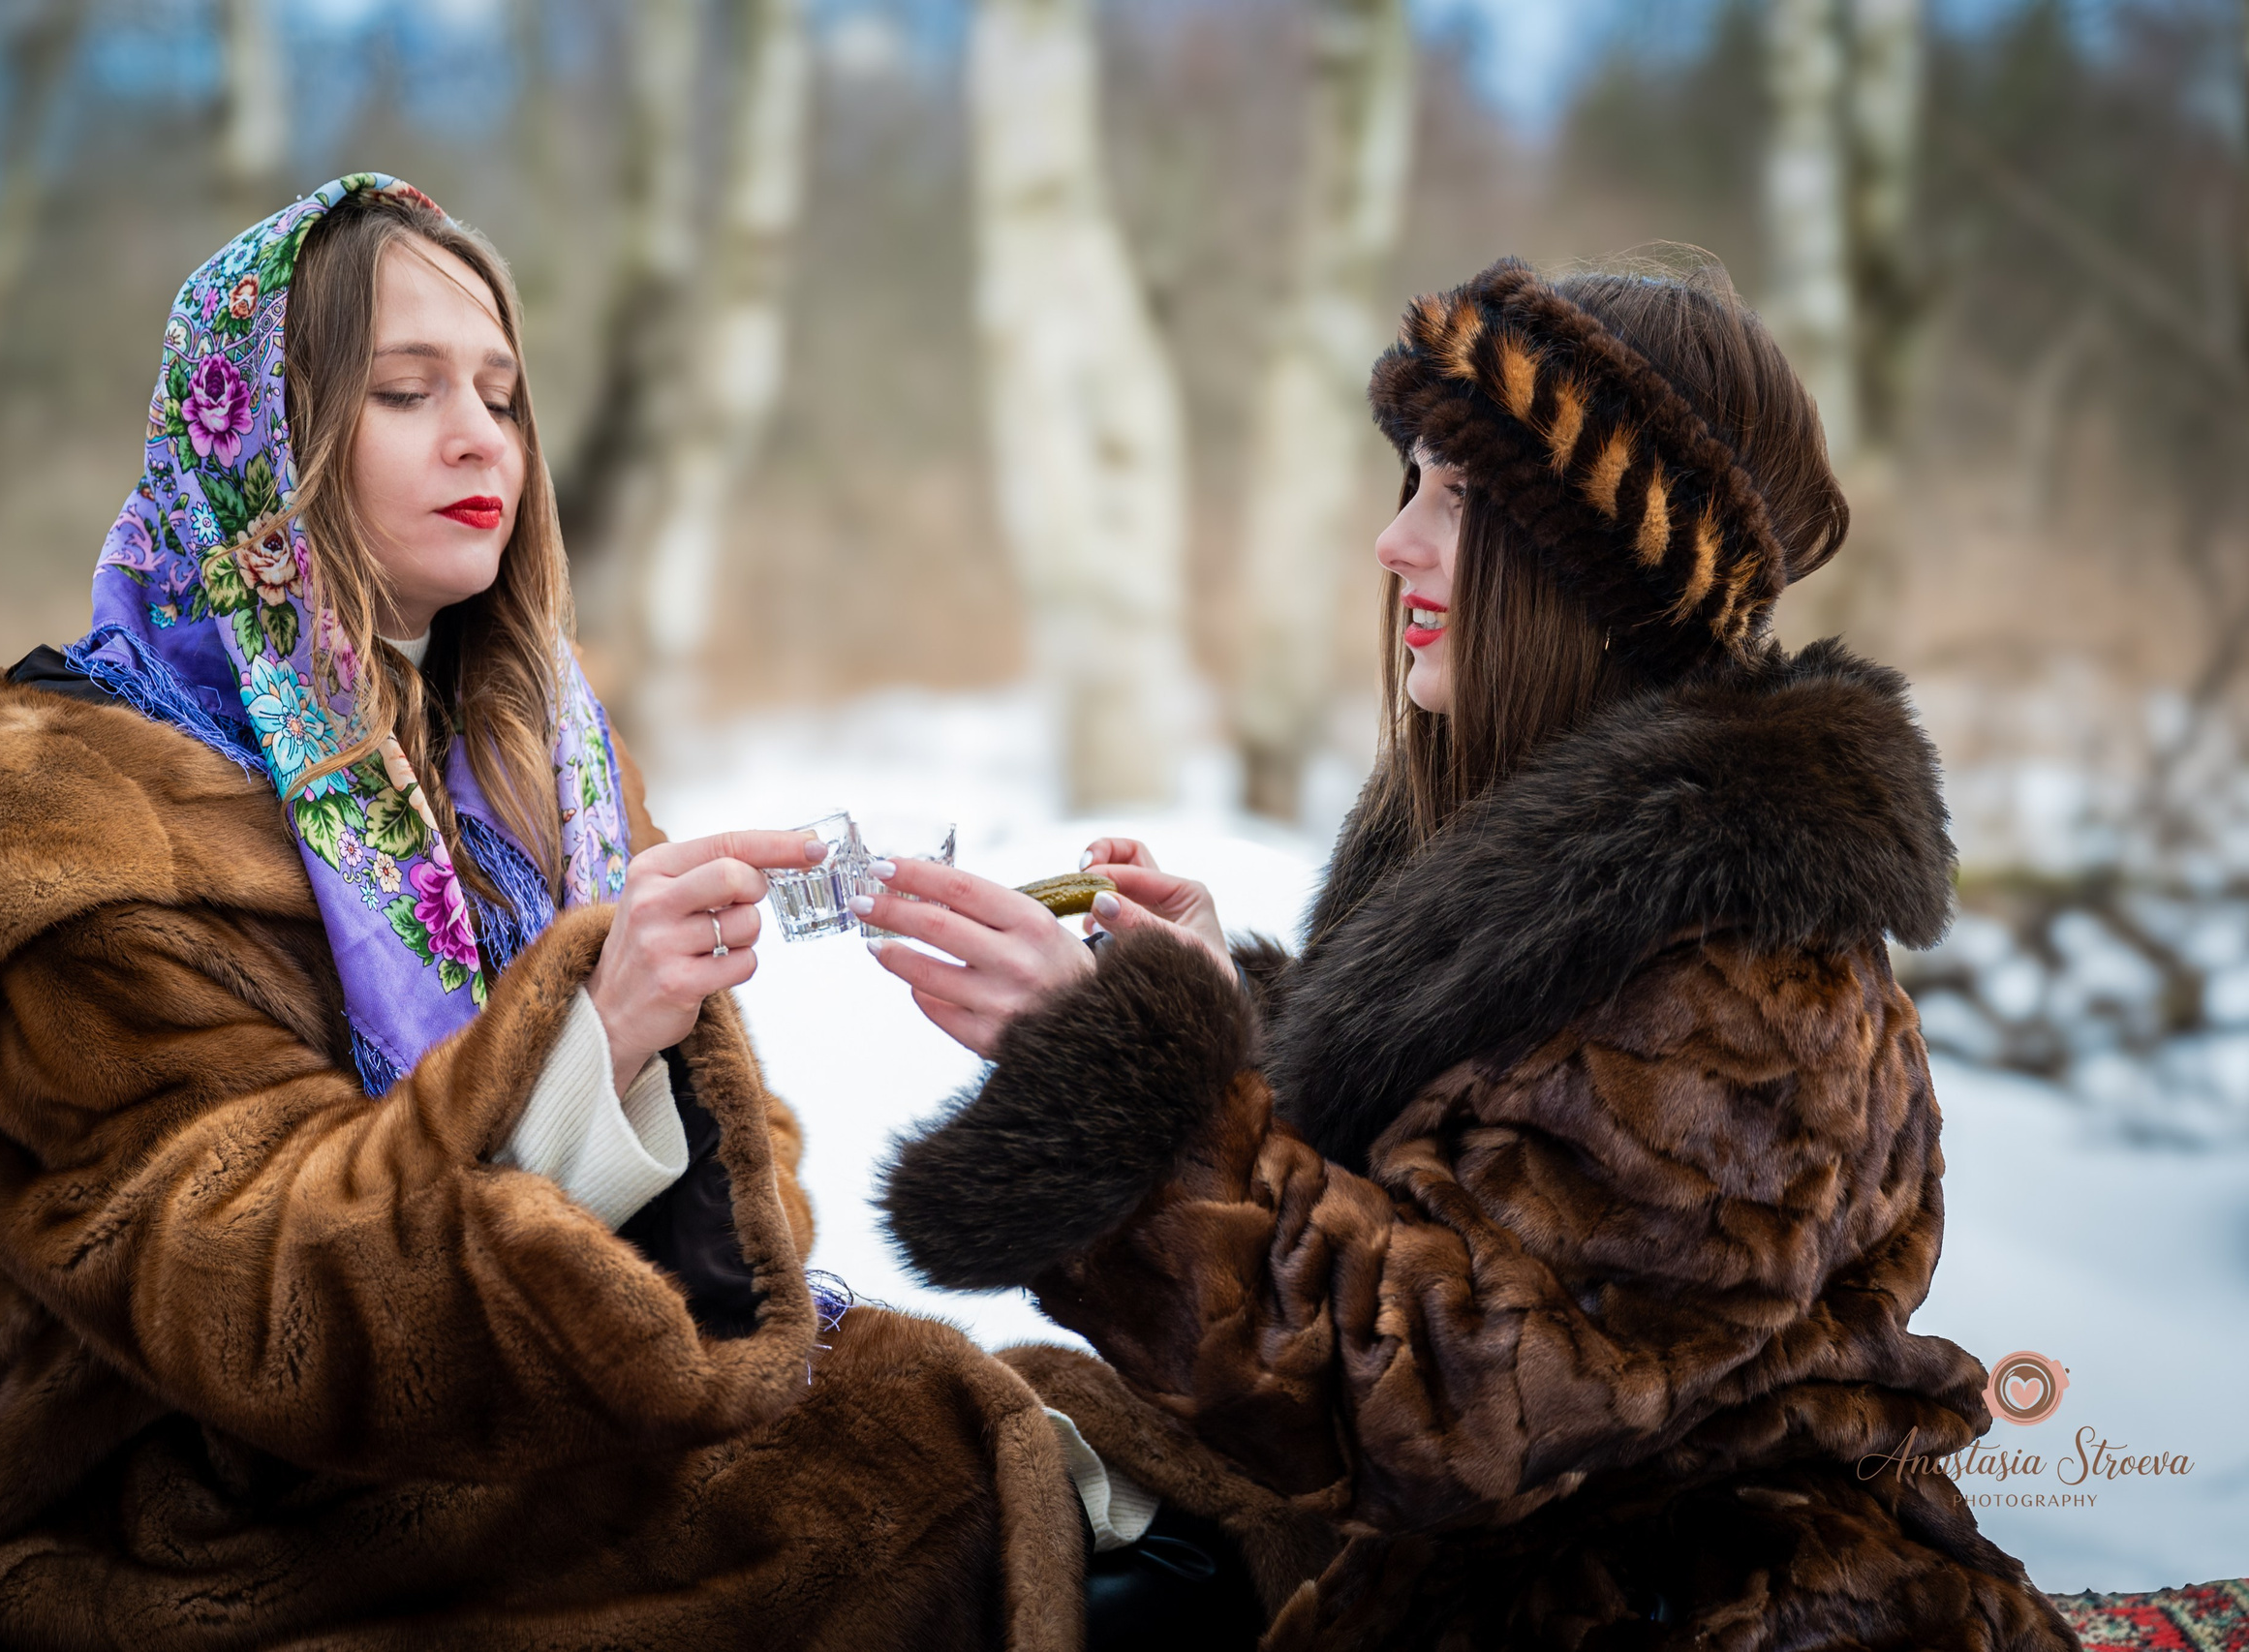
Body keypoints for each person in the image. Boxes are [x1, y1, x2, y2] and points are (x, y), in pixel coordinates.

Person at [0, 175, 1095, 1650]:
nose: (484, 438)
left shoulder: (535, 757)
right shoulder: (62, 822)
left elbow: (753, 1192)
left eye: (503, 393)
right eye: (404, 392)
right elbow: (255, 1306)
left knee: (1027, 1452)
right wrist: (585, 1052)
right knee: (908, 1526)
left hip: (524, 1434)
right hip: (210, 1520)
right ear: (252, 440)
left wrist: (655, 1044)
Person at [867, 257, 2083, 1649]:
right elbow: (1468, 1174)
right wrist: (1233, 1018)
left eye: (1459, 497)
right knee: (918, 1458)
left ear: (1598, 568)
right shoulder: (1521, 860)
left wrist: (1137, 1095)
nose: (1395, 545)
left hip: (1684, 1602)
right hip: (1468, 1570)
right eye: (1414, 483)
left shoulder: (1750, 978)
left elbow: (1460, 1397)